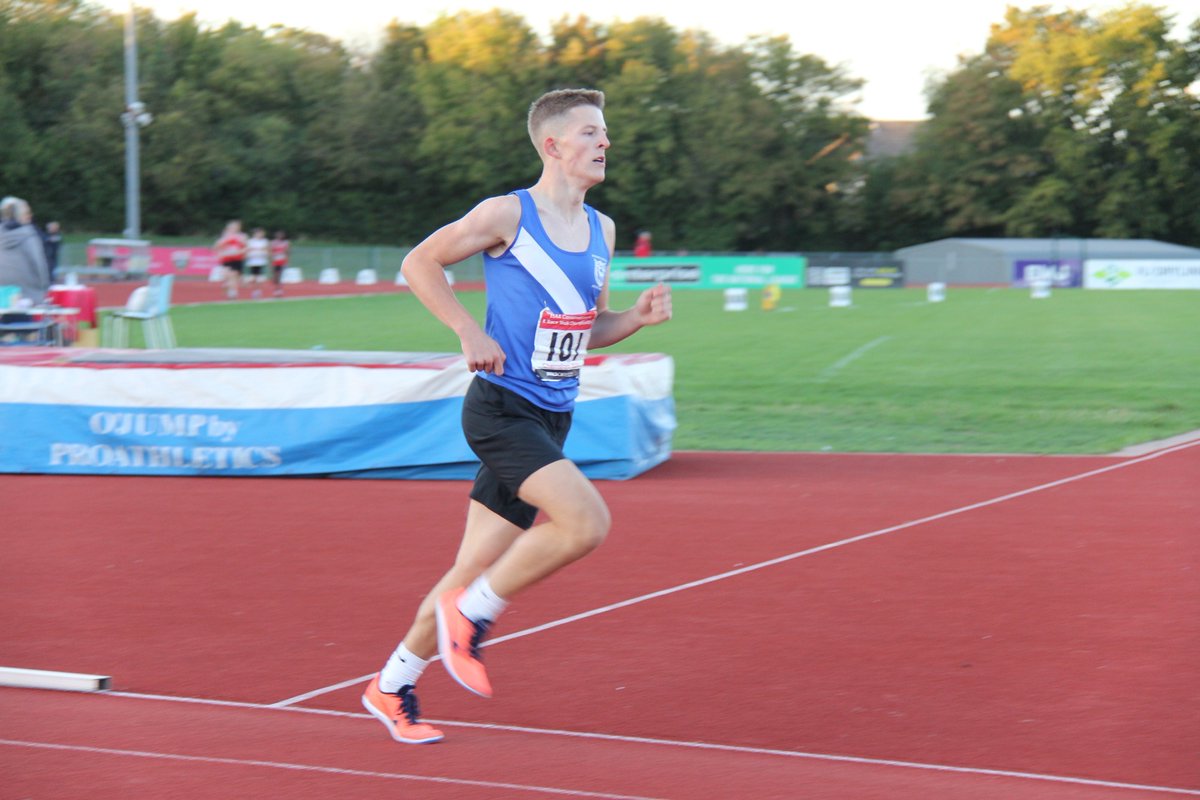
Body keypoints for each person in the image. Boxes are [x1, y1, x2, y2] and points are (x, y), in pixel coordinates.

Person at [361, 88, 672, 745]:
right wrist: (467, 330)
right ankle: (473, 617)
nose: (605, 142)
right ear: (552, 145)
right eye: (590, 132)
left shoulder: (603, 230)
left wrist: (635, 320)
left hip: (553, 416)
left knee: (466, 570)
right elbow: (419, 263)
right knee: (586, 522)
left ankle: (390, 685)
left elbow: (588, 328)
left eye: (605, 132)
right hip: (501, 409)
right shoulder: (507, 214)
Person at [0, 196, 52, 304]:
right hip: (28, 293)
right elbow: (39, 263)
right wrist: (44, 286)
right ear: (21, 215)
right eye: (28, 213)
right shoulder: (29, 235)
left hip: (3, 292)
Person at [214, 220, 247, 300]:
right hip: (226, 259)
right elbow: (217, 246)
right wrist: (220, 253)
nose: (233, 229)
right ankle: (230, 290)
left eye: (235, 227)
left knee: (233, 276)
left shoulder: (241, 236)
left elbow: (246, 247)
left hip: (237, 259)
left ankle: (232, 292)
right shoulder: (225, 236)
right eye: (231, 227)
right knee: (227, 276)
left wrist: (240, 252)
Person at [244, 227, 270, 298]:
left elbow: (266, 250)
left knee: (259, 278)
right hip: (253, 261)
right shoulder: (250, 241)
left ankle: (258, 291)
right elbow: (248, 250)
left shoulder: (264, 241)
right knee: (254, 277)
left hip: (261, 261)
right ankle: (254, 290)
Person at [269, 230, 290, 297]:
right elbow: (271, 252)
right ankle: (276, 289)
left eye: (281, 235)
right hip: (275, 261)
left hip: (282, 261)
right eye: (278, 235)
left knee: (280, 276)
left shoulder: (285, 242)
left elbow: (287, 252)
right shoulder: (273, 242)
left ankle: (279, 290)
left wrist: (287, 261)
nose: (279, 236)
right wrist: (271, 262)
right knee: (275, 277)